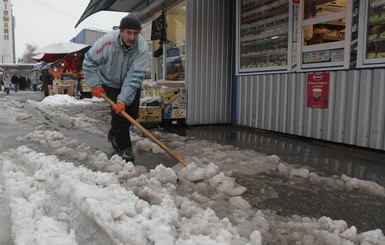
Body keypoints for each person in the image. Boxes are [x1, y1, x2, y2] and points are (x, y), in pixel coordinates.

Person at [82, 14, 150, 163]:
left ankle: (113, 134)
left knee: (132, 113)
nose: (132, 37)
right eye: (129, 32)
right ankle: (125, 148)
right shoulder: (106, 43)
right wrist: (95, 84)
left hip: (131, 83)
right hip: (110, 82)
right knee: (120, 115)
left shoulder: (142, 48)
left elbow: (134, 77)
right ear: (121, 31)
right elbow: (89, 61)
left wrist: (122, 100)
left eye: (136, 33)